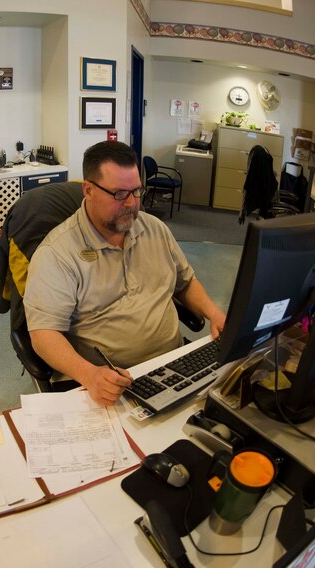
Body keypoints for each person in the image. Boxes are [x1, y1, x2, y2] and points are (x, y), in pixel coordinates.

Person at [24, 141, 227, 406]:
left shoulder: (154, 229)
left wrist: (214, 313)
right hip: (111, 382)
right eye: (120, 194)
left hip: (174, 364)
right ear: (89, 190)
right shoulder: (57, 253)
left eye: (137, 191)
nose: (132, 204)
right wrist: (89, 374)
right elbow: (43, 334)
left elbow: (185, 282)